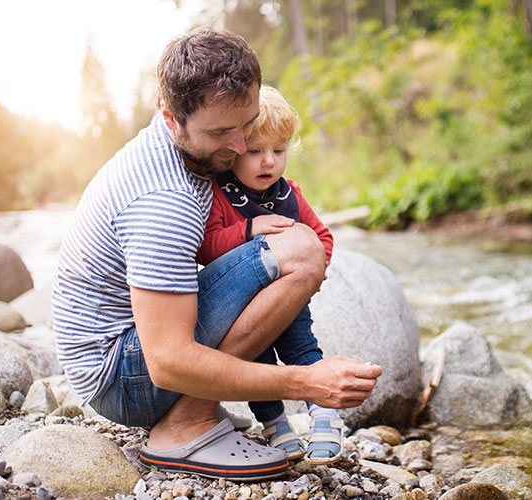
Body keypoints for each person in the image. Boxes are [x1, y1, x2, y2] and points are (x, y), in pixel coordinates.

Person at [51, 28, 381, 481]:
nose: (241, 147)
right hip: (122, 378)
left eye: (246, 124)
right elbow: (167, 362)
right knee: (301, 251)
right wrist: (307, 381)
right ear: (172, 119)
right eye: (223, 132)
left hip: (127, 351)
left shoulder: (188, 148)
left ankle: (194, 412)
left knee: (300, 245)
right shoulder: (165, 201)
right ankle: (184, 427)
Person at [196, 85, 341, 464]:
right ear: (234, 151)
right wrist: (249, 229)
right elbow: (206, 246)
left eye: (279, 151)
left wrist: (312, 273)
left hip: (289, 298)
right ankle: (276, 425)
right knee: (256, 363)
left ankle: (324, 416)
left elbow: (321, 237)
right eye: (256, 151)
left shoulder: (289, 193)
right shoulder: (220, 195)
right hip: (243, 306)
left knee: (303, 350)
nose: (268, 163)